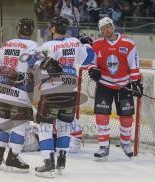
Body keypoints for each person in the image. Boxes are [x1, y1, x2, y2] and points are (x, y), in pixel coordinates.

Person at [34, 16, 94, 178]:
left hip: (52, 91)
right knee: (64, 127)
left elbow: (34, 65)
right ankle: (61, 160)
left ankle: (47, 163)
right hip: (71, 90)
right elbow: (89, 58)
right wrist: (86, 43)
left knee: (45, 127)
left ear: (53, 28)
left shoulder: (47, 45)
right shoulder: (75, 42)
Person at [88, 17, 143, 161]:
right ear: (101, 31)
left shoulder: (129, 43)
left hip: (124, 85)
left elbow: (134, 64)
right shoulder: (97, 45)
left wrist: (136, 82)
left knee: (126, 118)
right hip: (104, 85)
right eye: (103, 28)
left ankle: (125, 143)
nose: (106, 30)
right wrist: (92, 69)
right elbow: (90, 62)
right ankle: (103, 146)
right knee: (101, 117)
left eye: (108, 26)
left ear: (113, 26)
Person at [0, 18, 37, 172]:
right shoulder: (32, 46)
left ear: (18, 29)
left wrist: (1, 55)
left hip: (2, 90)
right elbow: (35, 66)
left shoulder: (7, 44)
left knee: (5, 122)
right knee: (21, 125)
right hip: (19, 91)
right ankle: (13, 157)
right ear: (31, 30)